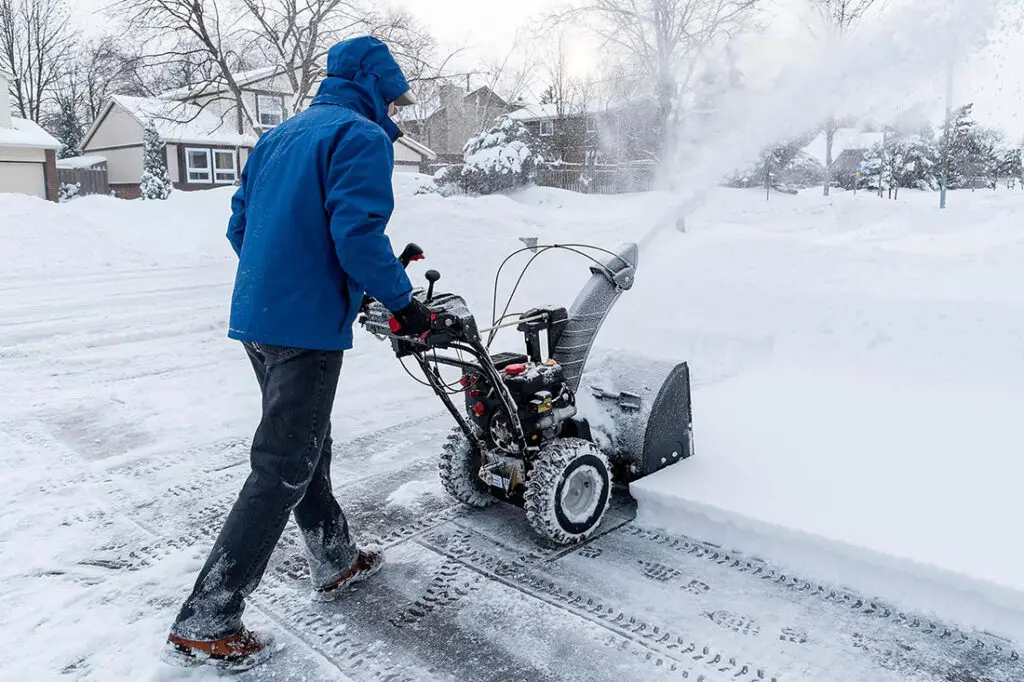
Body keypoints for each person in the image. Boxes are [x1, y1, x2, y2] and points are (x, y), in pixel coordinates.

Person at [164, 36, 433, 670]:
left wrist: (283, 280)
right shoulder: (359, 138)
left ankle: (335, 557)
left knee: (305, 443)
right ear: (373, 84)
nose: (396, 106)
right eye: (393, 94)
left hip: (258, 318)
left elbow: (239, 224)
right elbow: (356, 235)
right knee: (282, 465)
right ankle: (209, 617)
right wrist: (404, 305)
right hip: (304, 330)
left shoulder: (280, 136)